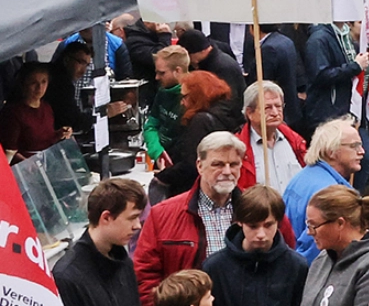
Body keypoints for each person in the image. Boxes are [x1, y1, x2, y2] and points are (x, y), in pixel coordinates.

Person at [136, 134, 257, 306]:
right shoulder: (162, 215)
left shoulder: (258, 211)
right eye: (218, 164)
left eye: (234, 164)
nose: (227, 171)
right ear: (200, 166)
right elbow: (145, 278)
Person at [203, 184, 307, 306]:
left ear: (278, 223)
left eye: (268, 225)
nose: (261, 234)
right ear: (240, 223)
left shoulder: (296, 266)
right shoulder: (215, 267)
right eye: (253, 226)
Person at [301, 188, 369, 306]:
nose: (309, 232)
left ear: (340, 223)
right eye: (308, 225)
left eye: (314, 225)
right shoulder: (322, 259)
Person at [56, 177, 146, 306]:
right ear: (106, 218)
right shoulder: (67, 277)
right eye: (132, 218)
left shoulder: (123, 263)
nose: (137, 226)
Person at [285, 121, 363, 263]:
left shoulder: (303, 176)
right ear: (331, 152)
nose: (362, 151)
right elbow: (313, 251)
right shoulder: (330, 194)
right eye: (354, 146)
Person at [0, 62, 68, 157]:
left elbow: (45, 139)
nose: (39, 87)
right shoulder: (13, 113)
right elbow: (9, 151)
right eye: (33, 83)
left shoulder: (46, 107)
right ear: (23, 84)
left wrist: (59, 134)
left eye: (43, 82)